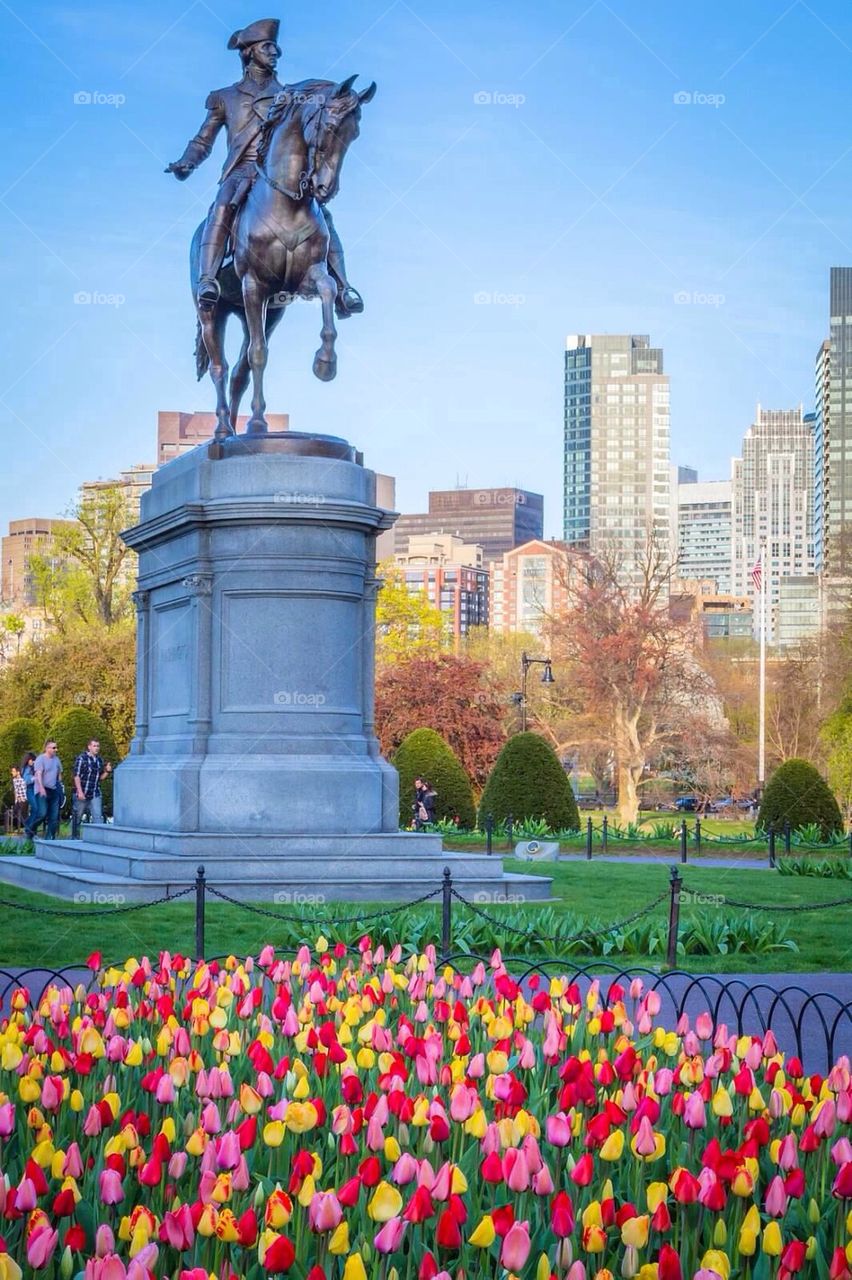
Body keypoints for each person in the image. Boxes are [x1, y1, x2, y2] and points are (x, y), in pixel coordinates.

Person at [167, 17, 363, 317]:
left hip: (283, 174)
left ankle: (343, 287)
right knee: (221, 208)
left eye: (275, 47)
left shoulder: (292, 95)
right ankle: (208, 279)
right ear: (249, 52)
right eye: (267, 47)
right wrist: (186, 162)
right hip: (241, 171)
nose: (275, 53)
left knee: (323, 215)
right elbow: (203, 140)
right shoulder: (225, 97)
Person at [72, 738, 112, 838]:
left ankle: (98, 839)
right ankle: (74, 838)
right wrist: (80, 792)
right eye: (94, 746)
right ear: (89, 747)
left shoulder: (99, 760)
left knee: (98, 817)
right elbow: (76, 776)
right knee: (77, 818)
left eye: (98, 746)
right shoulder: (82, 758)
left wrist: (107, 771)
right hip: (82, 792)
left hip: (95, 793)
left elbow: (100, 778)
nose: (96, 748)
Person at [28, 740, 63, 840]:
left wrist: (59, 782)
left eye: (56, 747)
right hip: (42, 789)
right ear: (47, 748)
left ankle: (49, 838)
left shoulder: (56, 760)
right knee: (42, 814)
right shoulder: (40, 759)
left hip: (53, 789)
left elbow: (59, 773)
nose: (56, 750)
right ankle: (31, 830)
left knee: (54, 816)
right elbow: (39, 774)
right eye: (53, 748)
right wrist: (41, 788)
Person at [10, 766, 27, 831]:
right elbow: (16, 790)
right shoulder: (14, 780)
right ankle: (17, 829)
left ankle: (25, 829)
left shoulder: (23, 780)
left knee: (22, 815)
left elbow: (25, 790)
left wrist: (22, 798)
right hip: (18, 800)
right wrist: (16, 799)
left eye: (13, 771)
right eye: (12, 771)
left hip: (23, 800)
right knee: (15, 813)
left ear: (18, 772)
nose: (12, 773)